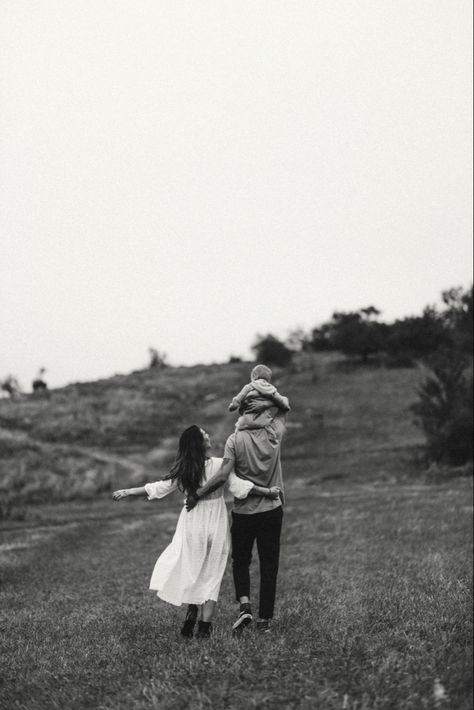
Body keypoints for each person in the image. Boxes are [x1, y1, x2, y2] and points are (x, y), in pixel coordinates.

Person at [112, 425, 280, 639]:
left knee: (194, 568)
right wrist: (267, 491)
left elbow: (159, 488)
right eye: (204, 434)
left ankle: (192, 611)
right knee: (213, 572)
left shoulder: (186, 469)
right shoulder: (220, 465)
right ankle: (204, 627)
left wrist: (127, 491)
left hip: (192, 522)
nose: (208, 435)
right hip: (215, 520)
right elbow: (239, 486)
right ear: (199, 443)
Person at [187, 395, 288, 635]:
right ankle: (264, 621)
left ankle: (245, 606)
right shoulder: (274, 433)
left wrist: (197, 494)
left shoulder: (234, 440)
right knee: (269, 565)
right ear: (265, 414)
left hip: (243, 512)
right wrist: (263, 389)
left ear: (242, 415)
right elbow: (284, 407)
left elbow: (223, 476)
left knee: (240, 562)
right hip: (272, 509)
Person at [229, 364, 290, 431]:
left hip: (247, 423)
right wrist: (269, 403)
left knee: (236, 433)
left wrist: (232, 406)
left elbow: (237, 401)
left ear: (254, 376)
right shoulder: (271, 389)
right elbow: (284, 405)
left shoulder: (249, 387)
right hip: (264, 424)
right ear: (268, 378)